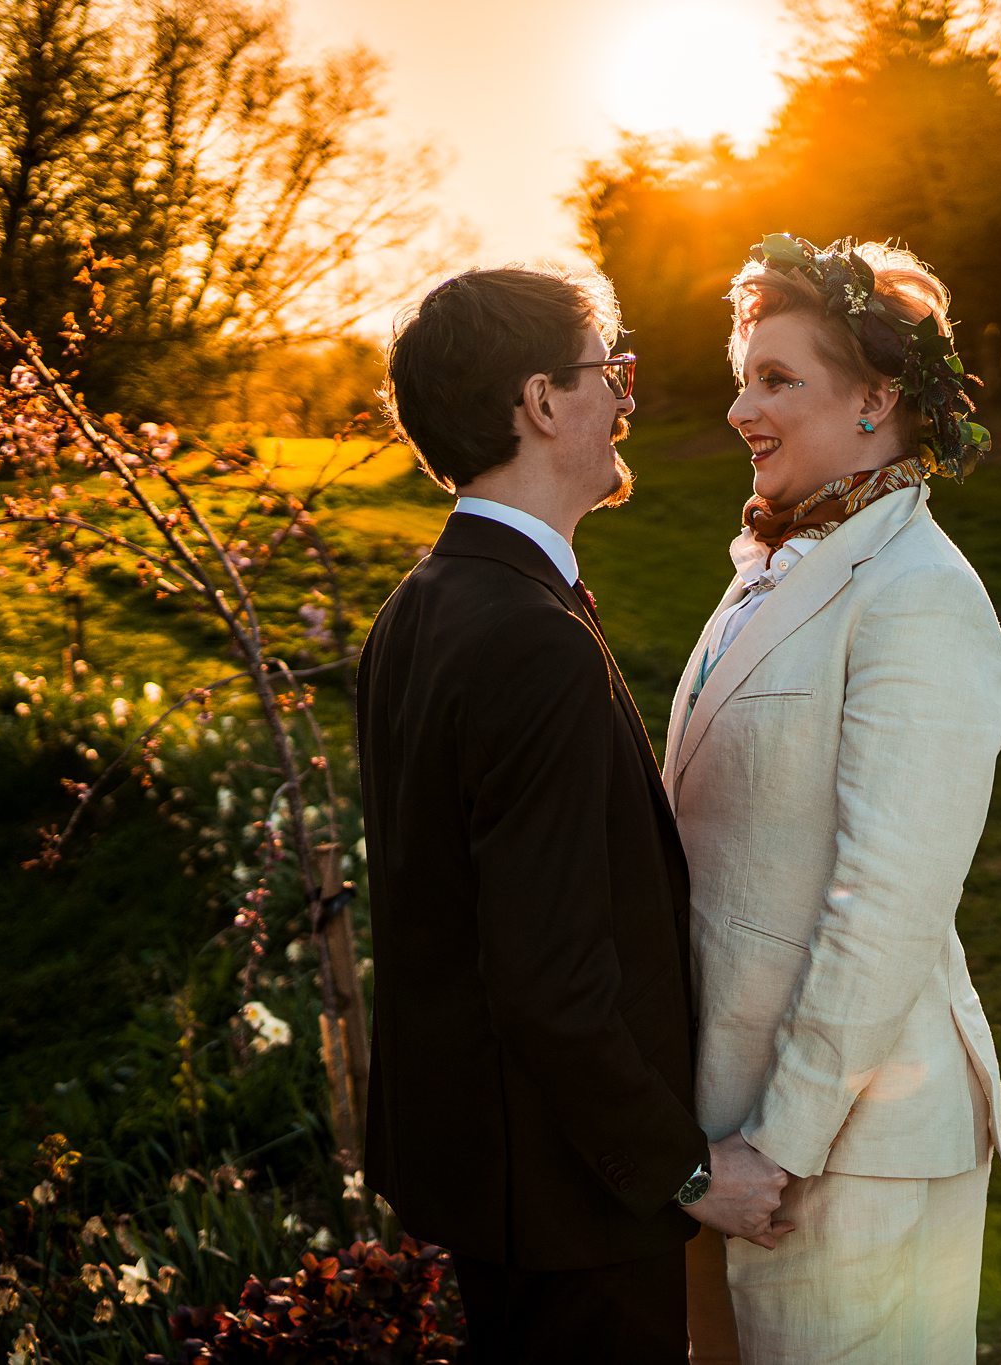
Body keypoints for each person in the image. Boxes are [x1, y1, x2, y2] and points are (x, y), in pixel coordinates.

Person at [357, 265, 789, 1363]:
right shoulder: (527, 638)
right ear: (543, 401)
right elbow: (548, 975)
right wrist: (685, 1172)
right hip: (568, 1203)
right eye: (611, 372)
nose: (626, 399)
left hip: (495, 1181)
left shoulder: (418, 606)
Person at [666, 235, 1001, 1363]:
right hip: (733, 1126)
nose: (740, 410)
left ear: (875, 399)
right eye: (742, 379)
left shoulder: (918, 596)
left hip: (847, 1147)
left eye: (777, 379)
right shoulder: (776, 562)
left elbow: (888, 905)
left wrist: (782, 1143)